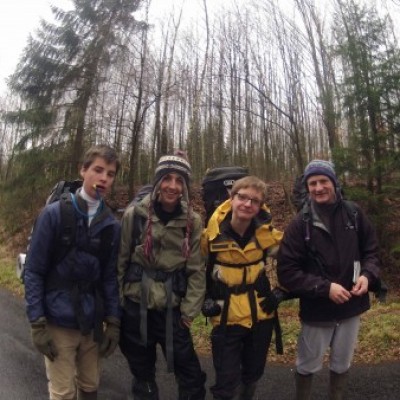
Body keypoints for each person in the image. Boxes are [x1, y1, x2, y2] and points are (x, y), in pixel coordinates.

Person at [277, 160, 381, 400]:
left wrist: (368, 275)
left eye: (323, 181)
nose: (318, 187)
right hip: (317, 310)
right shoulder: (299, 224)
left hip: (352, 306)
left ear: (334, 183)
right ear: (307, 187)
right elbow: (287, 271)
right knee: (307, 365)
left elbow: (371, 252)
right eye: (312, 183)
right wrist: (324, 288)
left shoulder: (354, 213)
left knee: (342, 364)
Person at [25, 144, 122, 400]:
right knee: (63, 392)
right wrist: (37, 322)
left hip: (92, 322)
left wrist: (113, 320)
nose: (103, 178)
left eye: (110, 174)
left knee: (90, 386)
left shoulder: (112, 225)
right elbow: (34, 271)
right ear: (83, 170)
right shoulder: (53, 215)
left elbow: (109, 277)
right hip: (58, 320)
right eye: (98, 170)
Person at [117, 151, 206, 400]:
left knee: (191, 377)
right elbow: (120, 263)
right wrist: (120, 306)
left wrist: (189, 313)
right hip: (136, 307)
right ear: (158, 181)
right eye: (167, 178)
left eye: (180, 181)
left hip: (173, 312)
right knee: (143, 376)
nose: (173, 186)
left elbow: (197, 270)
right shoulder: (134, 216)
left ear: (185, 187)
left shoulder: (193, 222)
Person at [202, 176, 283, 400]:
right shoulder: (212, 234)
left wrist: (282, 289)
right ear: (232, 197)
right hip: (226, 316)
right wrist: (204, 298)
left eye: (254, 201)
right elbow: (197, 269)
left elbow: (293, 258)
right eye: (243, 197)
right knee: (226, 381)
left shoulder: (266, 234)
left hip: (261, 313)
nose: (247, 204)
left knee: (252, 373)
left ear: (260, 206)